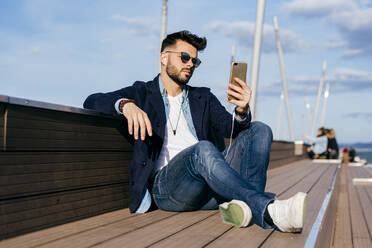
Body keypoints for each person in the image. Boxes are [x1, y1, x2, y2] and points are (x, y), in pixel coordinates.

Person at [84, 30, 307, 232]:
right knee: (202, 149)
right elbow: (92, 101)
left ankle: (245, 207)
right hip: (169, 190)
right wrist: (126, 105)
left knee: (260, 129)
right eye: (184, 57)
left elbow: (233, 129)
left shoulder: (203, 97)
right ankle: (269, 209)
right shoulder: (142, 92)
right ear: (164, 57)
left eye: (195, 60)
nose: (190, 64)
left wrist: (242, 110)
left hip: (210, 185)